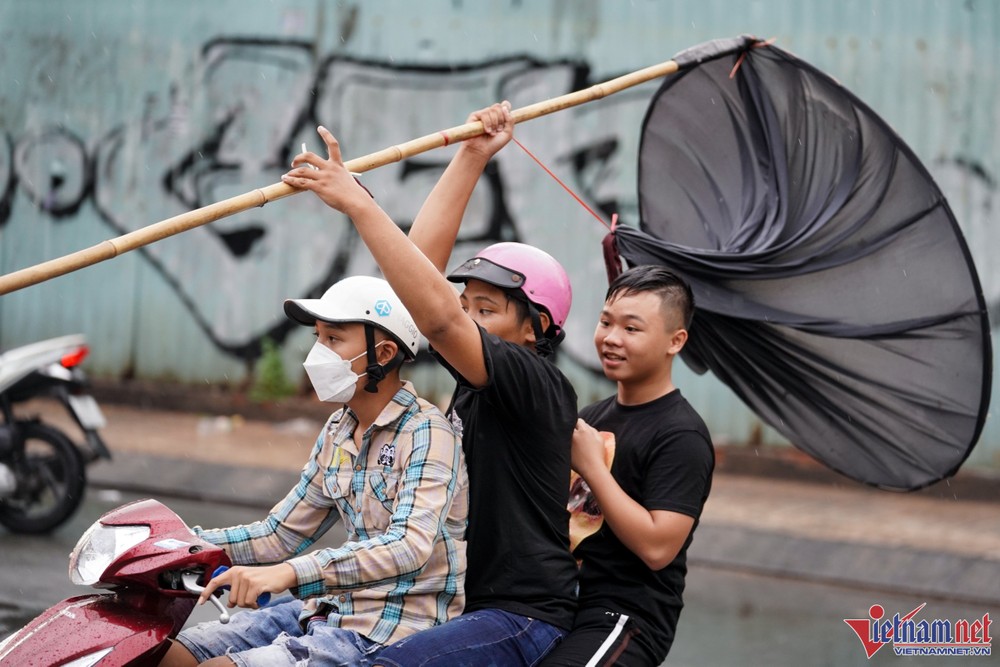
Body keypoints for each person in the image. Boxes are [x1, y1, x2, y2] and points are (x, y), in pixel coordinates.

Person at [283, 102, 578, 665]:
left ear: (535, 327)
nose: (466, 319)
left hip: (519, 614)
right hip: (457, 603)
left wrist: (357, 204)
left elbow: (438, 317)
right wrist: (471, 155)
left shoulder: (536, 381)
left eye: (484, 310)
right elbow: (415, 288)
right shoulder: (478, 375)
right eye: (466, 304)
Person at [160, 275, 468, 667]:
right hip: (326, 609)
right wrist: (177, 547)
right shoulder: (338, 430)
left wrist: (287, 574)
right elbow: (280, 534)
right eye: (318, 338)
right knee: (171, 655)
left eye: (334, 340)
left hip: (390, 630)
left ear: (385, 353)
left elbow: (409, 546)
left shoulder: (426, 432)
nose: (318, 353)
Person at [540, 266, 715, 666]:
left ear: (676, 341)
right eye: (606, 322)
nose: (611, 339)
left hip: (623, 618)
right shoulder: (591, 416)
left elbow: (657, 548)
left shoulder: (681, 434)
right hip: (560, 603)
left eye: (632, 329)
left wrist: (593, 468)